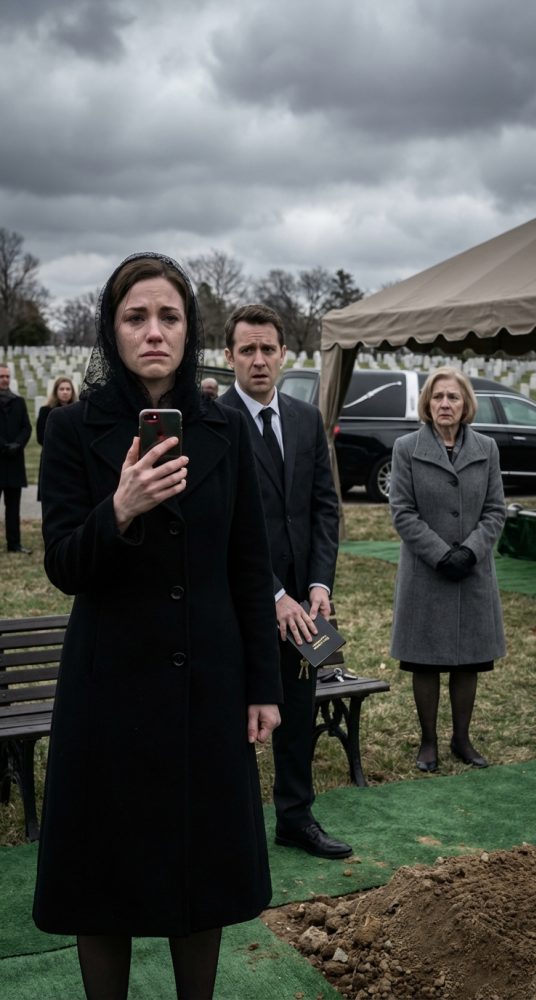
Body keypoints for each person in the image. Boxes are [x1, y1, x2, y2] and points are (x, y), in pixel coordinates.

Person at [33, 253, 282, 1000]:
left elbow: (249, 566)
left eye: (168, 316)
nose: (153, 332)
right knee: (101, 875)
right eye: (135, 317)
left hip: (207, 682)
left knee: (199, 869)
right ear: (111, 331)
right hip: (108, 686)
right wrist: (120, 509)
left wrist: (263, 685)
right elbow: (63, 565)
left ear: (188, 329)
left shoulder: (225, 430)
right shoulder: (72, 428)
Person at [221, 304, 352, 860]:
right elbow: (222, 523)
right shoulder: (214, 421)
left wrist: (318, 584)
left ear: (283, 354)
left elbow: (323, 508)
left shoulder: (304, 418)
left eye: (267, 349)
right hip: (239, 600)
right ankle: (232, 829)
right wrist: (273, 593)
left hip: (304, 605)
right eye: (247, 350)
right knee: (236, 717)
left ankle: (295, 817)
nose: (258, 360)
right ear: (229, 356)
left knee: (298, 713)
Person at [389, 366, 506, 773]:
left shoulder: (487, 448)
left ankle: (462, 738)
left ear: (465, 403)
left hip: (473, 571)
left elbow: (495, 510)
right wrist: (440, 554)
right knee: (424, 660)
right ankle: (428, 742)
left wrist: (471, 552)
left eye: (453, 397)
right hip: (426, 571)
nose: (444, 404)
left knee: (468, 659)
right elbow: (402, 512)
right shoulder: (406, 448)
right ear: (427, 402)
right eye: (437, 396)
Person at [0, 363, 32, 553]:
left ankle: (14, 544)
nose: (4, 379)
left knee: (13, 507)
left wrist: (18, 444)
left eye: (7, 376)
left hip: (14, 462)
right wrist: (4, 445)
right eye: (1, 376)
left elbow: (26, 427)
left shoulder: (18, 401)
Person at [36, 376, 77, 500]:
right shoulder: (45, 411)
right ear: (56, 391)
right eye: (61, 389)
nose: (65, 392)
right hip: (51, 458)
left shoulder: (78, 412)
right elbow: (40, 437)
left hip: (73, 460)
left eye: (68, 389)